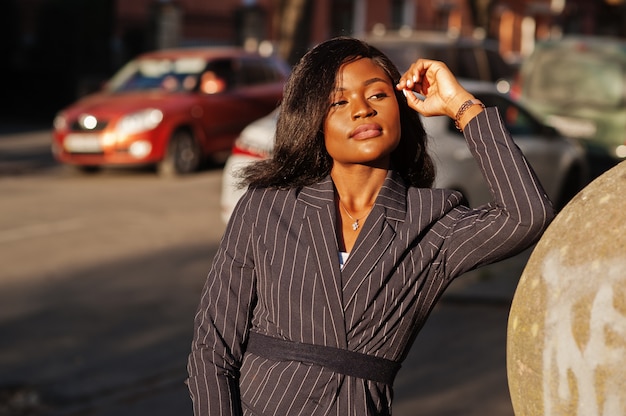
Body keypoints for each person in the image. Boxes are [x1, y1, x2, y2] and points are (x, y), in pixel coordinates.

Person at [186, 37, 554, 416]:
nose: (362, 110)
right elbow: (212, 351)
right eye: (339, 102)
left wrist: (463, 107)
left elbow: (527, 215)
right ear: (315, 122)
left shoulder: (433, 224)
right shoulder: (267, 208)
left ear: (400, 109)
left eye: (377, 95)